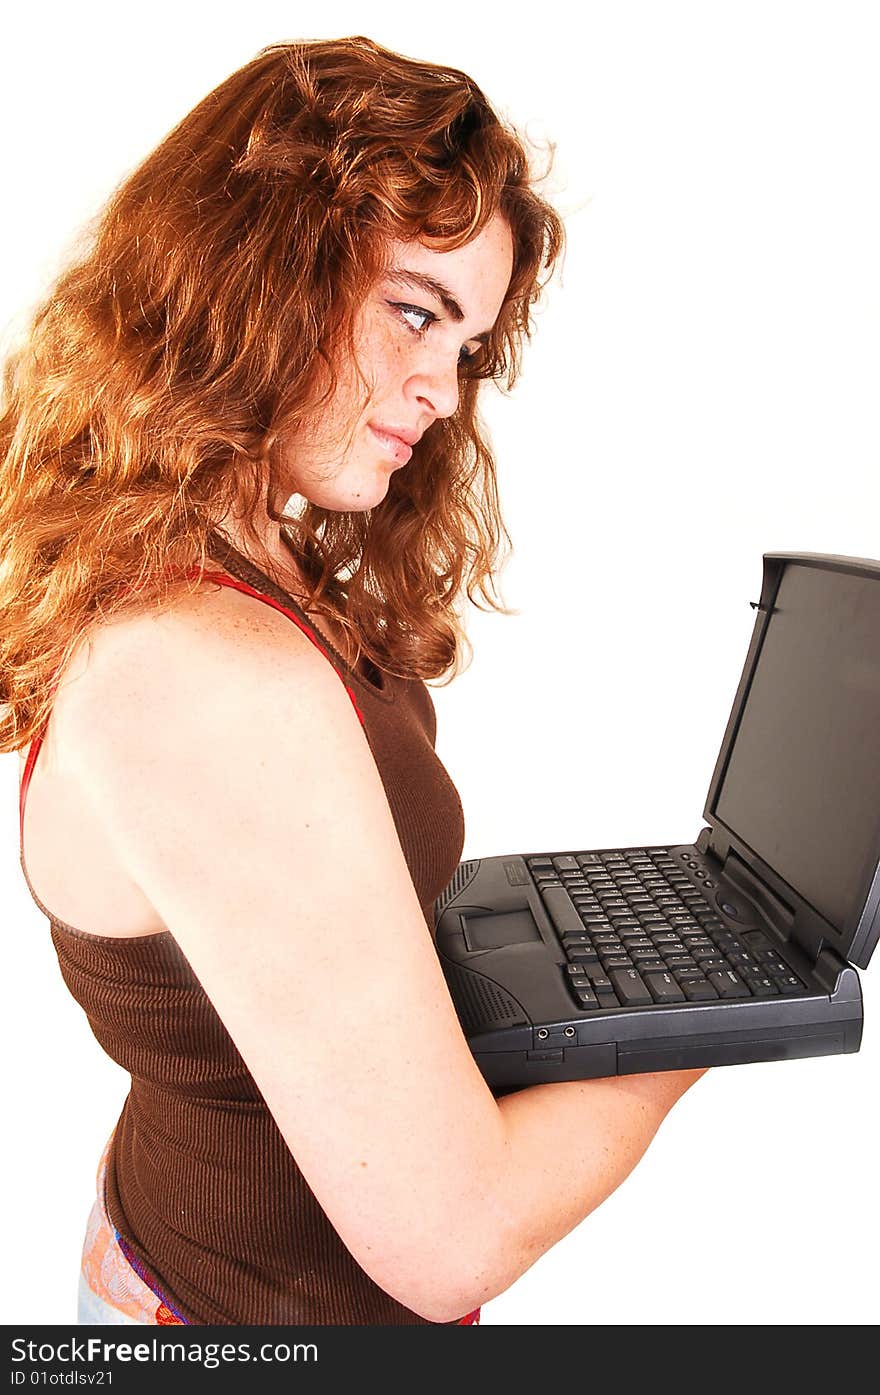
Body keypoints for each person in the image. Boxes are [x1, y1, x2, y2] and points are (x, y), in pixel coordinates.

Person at [0, 34, 705, 1327]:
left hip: (175, 1252)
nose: (443, 390)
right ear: (256, 269)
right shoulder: (201, 669)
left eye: (472, 343)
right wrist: (713, 1004)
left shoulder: (223, 550)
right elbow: (452, 1241)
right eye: (416, 310)